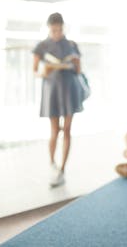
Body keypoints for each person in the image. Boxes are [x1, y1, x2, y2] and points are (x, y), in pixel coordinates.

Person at [32, 12, 84, 188]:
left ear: (63, 27)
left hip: (70, 90)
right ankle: (52, 163)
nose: (57, 33)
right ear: (48, 28)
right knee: (54, 130)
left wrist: (75, 62)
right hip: (52, 90)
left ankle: (62, 169)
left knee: (67, 130)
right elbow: (34, 71)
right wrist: (43, 72)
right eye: (54, 30)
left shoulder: (71, 45)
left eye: (59, 29)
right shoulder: (41, 46)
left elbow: (78, 71)